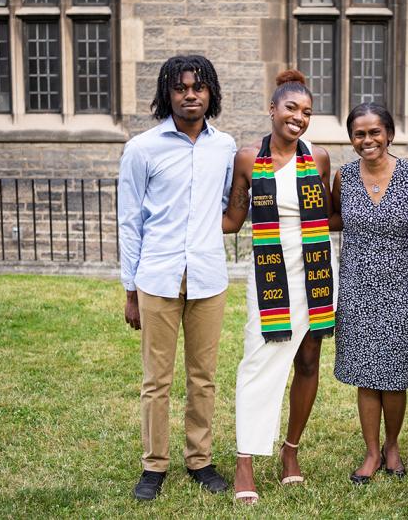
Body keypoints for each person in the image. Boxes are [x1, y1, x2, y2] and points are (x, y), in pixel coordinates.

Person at [118, 55, 236, 501]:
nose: (191, 95)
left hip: (208, 277)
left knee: (203, 377)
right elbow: (129, 221)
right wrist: (130, 290)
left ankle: (200, 460)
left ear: (211, 94)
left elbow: (229, 205)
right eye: (182, 88)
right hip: (158, 277)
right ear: (167, 93)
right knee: (157, 380)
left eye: (199, 87)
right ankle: (154, 466)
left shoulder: (223, 147)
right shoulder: (142, 149)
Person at [223, 69, 337, 505]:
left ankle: (291, 453)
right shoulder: (248, 159)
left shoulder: (320, 159)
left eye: (307, 111)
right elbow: (234, 219)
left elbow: (329, 217)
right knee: (258, 361)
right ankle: (245, 460)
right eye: (291, 108)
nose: (299, 117)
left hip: (317, 271)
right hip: (271, 272)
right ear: (272, 109)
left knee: (309, 361)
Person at [329, 103, 408, 484]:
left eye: (374, 132)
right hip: (357, 286)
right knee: (365, 375)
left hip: (402, 287)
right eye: (359, 134)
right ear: (351, 138)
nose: (367, 140)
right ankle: (371, 451)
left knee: (395, 375)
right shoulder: (344, 177)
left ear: (389, 134)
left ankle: (392, 446)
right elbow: (333, 217)